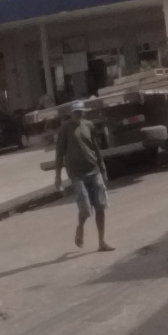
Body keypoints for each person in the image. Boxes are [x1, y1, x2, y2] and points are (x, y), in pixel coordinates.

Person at [54, 106, 110, 253]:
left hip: (93, 169)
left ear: (84, 112)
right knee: (85, 207)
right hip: (76, 173)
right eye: (75, 112)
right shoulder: (65, 128)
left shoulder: (88, 125)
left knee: (100, 205)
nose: (78, 114)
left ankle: (102, 242)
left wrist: (102, 167)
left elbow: (95, 147)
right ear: (71, 113)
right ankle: (80, 227)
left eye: (80, 111)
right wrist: (58, 176)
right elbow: (59, 153)